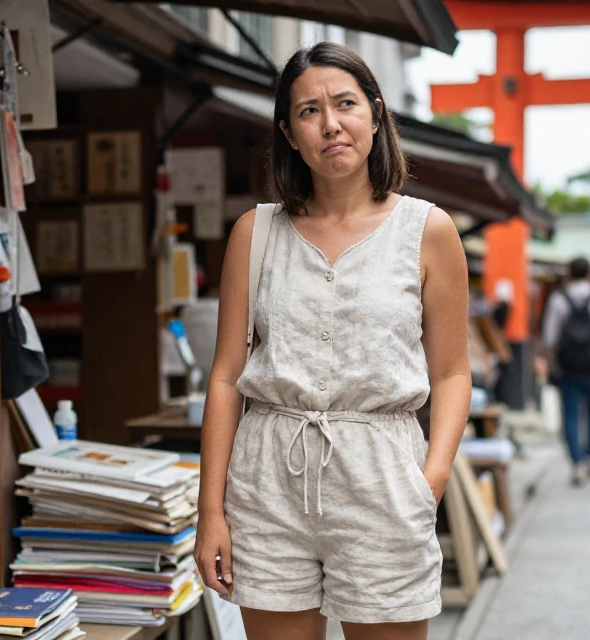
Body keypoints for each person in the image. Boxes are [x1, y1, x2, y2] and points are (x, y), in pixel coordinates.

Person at [193, 43, 471, 640]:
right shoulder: (255, 232)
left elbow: (451, 372)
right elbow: (224, 376)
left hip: (382, 478)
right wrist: (210, 511)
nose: (331, 124)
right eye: (309, 111)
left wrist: (432, 480)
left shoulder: (428, 231)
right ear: (290, 135)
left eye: (345, 104)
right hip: (267, 479)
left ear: (375, 114)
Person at [542, 257, 590, 486]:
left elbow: (549, 338)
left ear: (569, 274)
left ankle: (576, 463)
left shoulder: (558, 300)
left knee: (570, 414)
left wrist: (551, 363)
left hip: (567, 367)